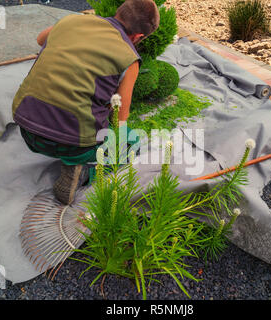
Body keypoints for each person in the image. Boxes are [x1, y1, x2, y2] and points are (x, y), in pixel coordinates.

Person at [12, 0, 160, 205]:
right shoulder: (129, 59)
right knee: (130, 143)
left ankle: (67, 150)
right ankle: (83, 171)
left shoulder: (72, 20)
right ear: (138, 37)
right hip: (72, 145)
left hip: (27, 128)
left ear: (119, 13)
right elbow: (120, 120)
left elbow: (40, 39)